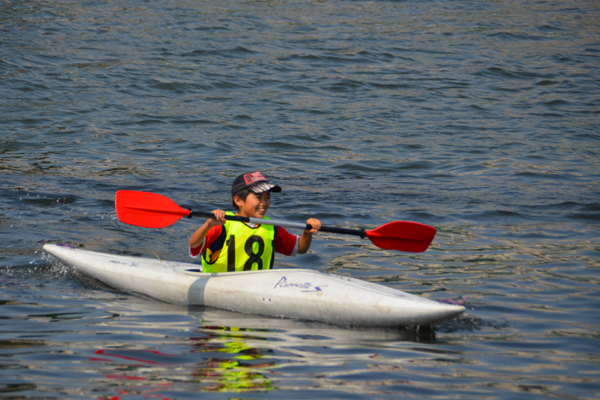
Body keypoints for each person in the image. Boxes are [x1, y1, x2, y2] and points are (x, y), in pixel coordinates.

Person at [189, 171, 321, 272]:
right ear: (238, 200)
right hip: (221, 287)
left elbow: (300, 248)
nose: (264, 203)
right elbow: (194, 246)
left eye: (267, 197)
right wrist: (208, 224)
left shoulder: (271, 227)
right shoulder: (222, 225)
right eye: (258, 197)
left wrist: (307, 233)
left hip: (258, 289)